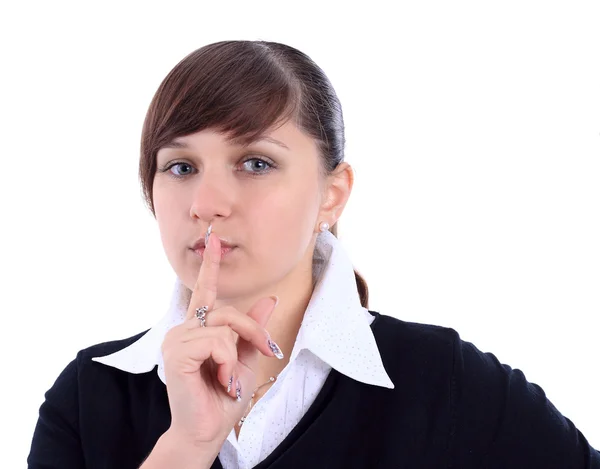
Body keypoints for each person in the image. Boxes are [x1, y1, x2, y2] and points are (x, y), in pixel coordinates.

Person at [27, 40, 599, 469]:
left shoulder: (441, 382)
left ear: (332, 194)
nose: (206, 203)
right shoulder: (88, 398)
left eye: (255, 163)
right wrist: (186, 447)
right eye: (181, 167)